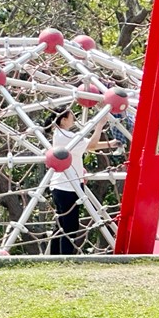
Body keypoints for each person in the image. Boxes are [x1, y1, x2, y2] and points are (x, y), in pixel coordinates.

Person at [46, 107, 117, 255]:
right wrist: (99, 125)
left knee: (61, 225)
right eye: (71, 115)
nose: (74, 117)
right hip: (68, 187)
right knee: (69, 227)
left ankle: (54, 256)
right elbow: (91, 145)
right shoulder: (66, 136)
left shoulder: (60, 134)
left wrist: (111, 143)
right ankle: (64, 258)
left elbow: (88, 146)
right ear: (63, 120)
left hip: (60, 186)